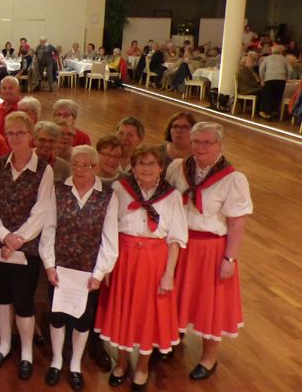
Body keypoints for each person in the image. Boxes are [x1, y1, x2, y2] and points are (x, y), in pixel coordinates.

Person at [95, 145, 187, 392]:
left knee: (148, 314)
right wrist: (107, 267)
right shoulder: (120, 189)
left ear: (161, 168)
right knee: (124, 311)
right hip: (124, 258)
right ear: (133, 167)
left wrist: (168, 274)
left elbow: (176, 239)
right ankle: (122, 363)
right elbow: (108, 230)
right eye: (141, 164)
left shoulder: (172, 196)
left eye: (152, 164)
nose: (147, 169)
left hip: (154, 261)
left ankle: (143, 367)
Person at [165, 122, 252, 381]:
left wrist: (229, 258)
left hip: (210, 249)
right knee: (176, 295)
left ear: (219, 145)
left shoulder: (233, 178)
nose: (201, 147)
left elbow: (237, 223)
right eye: (197, 141)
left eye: (207, 142)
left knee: (209, 304)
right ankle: (173, 338)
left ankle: (209, 357)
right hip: (179, 243)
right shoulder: (177, 168)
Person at [0, 111, 55, 381]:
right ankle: (3, 344)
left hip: (25, 249)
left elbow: (42, 210)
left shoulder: (44, 169)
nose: (14, 137)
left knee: (24, 301)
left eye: (20, 132)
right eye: (10, 132)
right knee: (1, 296)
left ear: (30, 136)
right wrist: (4, 236)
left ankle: (26, 352)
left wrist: (17, 239)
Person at [39, 145, 119, 390]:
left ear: (96, 167)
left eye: (86, 165)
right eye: (75, 164)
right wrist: (50, 265)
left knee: (83, 320)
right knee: (58, 317)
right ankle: (56, 360)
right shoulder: (59, 191)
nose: (80, 169)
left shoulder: (108, 195)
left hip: (88, 272)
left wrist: (99, 273)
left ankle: (74, 364)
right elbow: (49, 228)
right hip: (61, 269)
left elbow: (110, 238)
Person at [259, 45, 294, 119]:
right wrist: (287, 77)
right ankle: (275, 112)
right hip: (281, 80)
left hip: (269, 79)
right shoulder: (284, 59)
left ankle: (268, 113)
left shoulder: (267, 58)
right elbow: (290, 70)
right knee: (278, 96)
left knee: (269, 96)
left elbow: (261, 69)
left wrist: (262, 79)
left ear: (272, 51)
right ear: (280, 52)